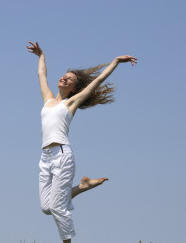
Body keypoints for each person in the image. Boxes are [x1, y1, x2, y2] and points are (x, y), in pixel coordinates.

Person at [27, 41, 137, 243]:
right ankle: (83, 187)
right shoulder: (48, 100)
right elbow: (41, 75)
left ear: (74, 88)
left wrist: (115, 61)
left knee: (57, 207)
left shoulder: (71, 103)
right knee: (46, 207)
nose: (64, 78)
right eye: (64, 76)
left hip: (62, 155)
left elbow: (100, 79)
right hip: (45, 157)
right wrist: (41, 55)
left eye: (69, 79)